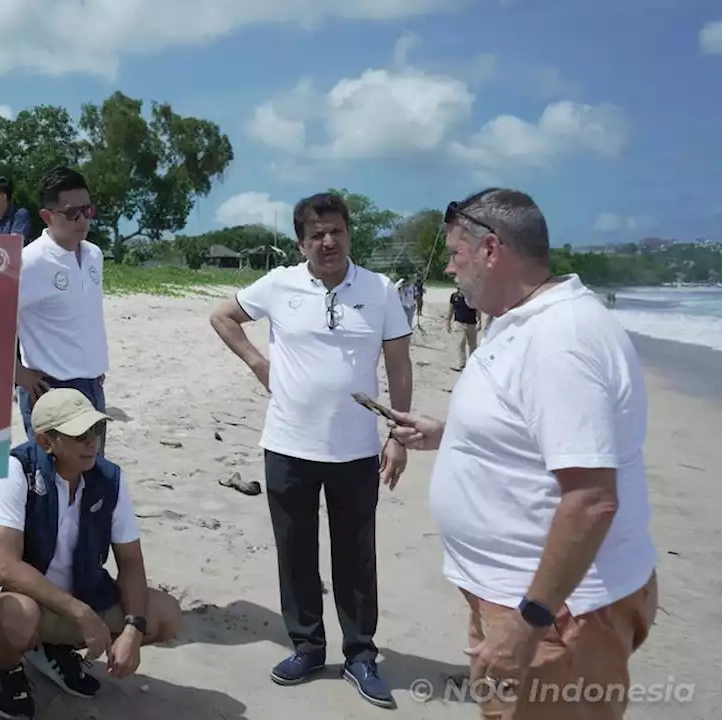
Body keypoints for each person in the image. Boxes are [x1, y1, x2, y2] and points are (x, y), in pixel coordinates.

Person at [390, 189, 658, 720]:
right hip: (525, 600)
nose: (449, 267)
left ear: (492, 249)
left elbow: (591, 500)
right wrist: (450, 434)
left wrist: (528, 622)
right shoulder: (525, 319)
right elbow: (536, 431)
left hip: (558, 614)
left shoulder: (561, 339)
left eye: (455, 254)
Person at [209, 191, 412, 709]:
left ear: (349, 234)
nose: (328, 241)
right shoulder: (279, 284)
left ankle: (361, 655)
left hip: (356, 450)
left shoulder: (381, 289)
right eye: (317, 233)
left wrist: (398, 436)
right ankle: (307, 646)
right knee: (295, 552)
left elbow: (399, 365)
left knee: (356, 555)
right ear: (301, 241)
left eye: (336, 231)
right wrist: (259, 365)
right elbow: (223, 317)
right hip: (287, 445)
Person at [0, 388, 182, 720]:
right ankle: (7, 669)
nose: (92, 442)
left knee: (164, 615)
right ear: (47, 442)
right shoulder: (15, 470)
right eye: (79, 434)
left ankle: (55, 651)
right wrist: (81, 614)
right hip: (25, 600)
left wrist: (132, 628)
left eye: (96, 431)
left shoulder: (110, 479)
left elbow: (130, 560)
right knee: (14, 619)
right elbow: (5, 568)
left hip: (84, 595)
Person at [14, 167, 108, 454]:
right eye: (72, 213)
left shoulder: (94, 254)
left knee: (92, 477)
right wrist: (18, 373)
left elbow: (87, 316)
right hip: (51, 390)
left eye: (87, 210)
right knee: (54, 483)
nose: (82, 219)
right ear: (47, 216)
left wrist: (95, 367)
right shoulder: (29, 261)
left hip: (93, 386)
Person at [445, 288, 482, 370]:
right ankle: (461, 363)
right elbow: (450, 310)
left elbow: (478, 310)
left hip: (472, 324)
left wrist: (479, 322)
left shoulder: (472, 297)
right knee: (460, 343)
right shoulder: (454, 297)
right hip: (458, 323)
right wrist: (448, 322)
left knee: (472, 345)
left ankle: (472, 364)